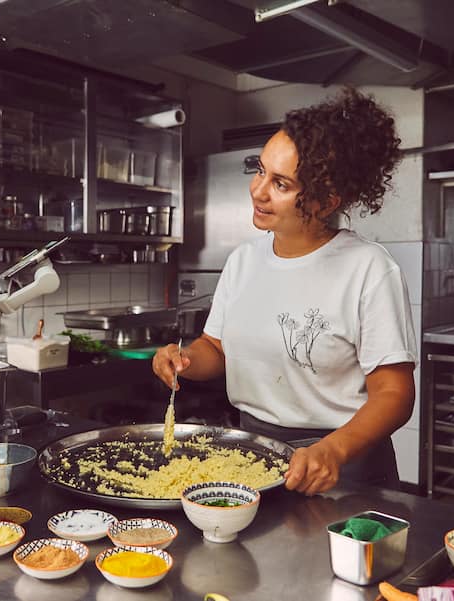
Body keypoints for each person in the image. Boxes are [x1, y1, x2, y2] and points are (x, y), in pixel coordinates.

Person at [153, 88, 416, 496]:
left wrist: (334, 450)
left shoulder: (368, 268)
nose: (258, 191)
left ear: (326, 200)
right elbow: (216, 349)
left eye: (281, 183)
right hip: (254, 455)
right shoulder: (244, 260)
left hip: (343, 466)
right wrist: (184, 359)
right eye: (260, 171)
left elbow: (395, 394)